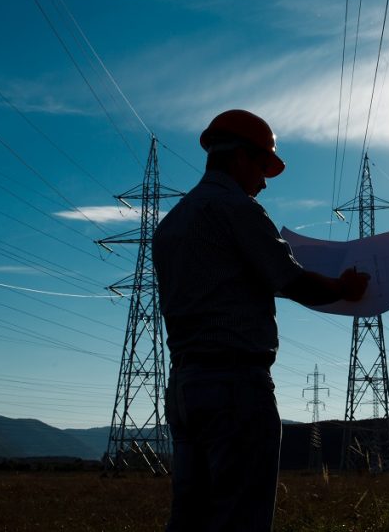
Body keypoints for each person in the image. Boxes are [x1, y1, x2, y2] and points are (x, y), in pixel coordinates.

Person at [153, 109, 370, 532]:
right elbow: (289, 279)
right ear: (239, 158)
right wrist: (343, 288)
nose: (264, 182)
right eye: (262, 167)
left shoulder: (171, 224)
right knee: (239, 520)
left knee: (190, 518)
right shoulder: (237, 209)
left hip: (184, 386)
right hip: (234, 386)